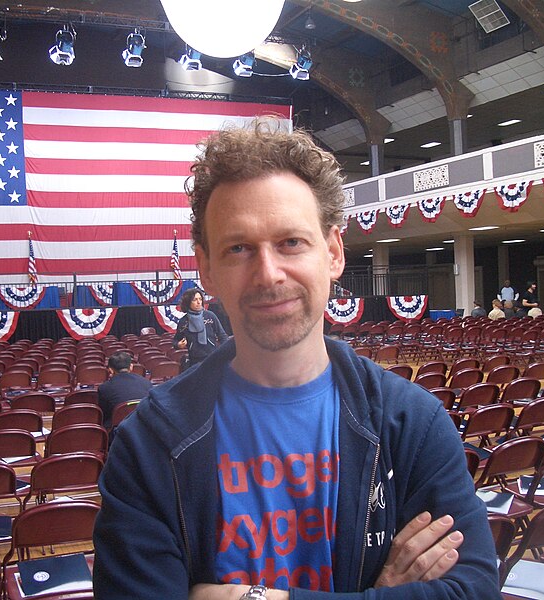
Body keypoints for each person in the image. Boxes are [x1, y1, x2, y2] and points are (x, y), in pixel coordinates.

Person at [93, 123, 499, 599]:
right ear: (205, 268)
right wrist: (380, 591)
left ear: (333, 253)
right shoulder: (147, 444)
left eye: (291, 242)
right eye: (239, 248)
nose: (268, 274)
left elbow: (473, 591)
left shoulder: (412, 422)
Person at [173, 287, 229, 369]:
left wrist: (224, 353)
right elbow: (176, 340)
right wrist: (178, 344)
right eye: (195, 300)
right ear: (188, 302)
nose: (199, 302)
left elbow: (222, 336)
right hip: (194, 361)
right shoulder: (183, 321)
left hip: (212, 358)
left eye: (200, 299)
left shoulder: (210, 316)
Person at [96, 351, 153, 429]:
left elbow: (104, 415)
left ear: (110, 370)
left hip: (118, 431)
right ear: (131, 367)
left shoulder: (104, 388)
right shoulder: (146, 382)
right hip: (144, 427)